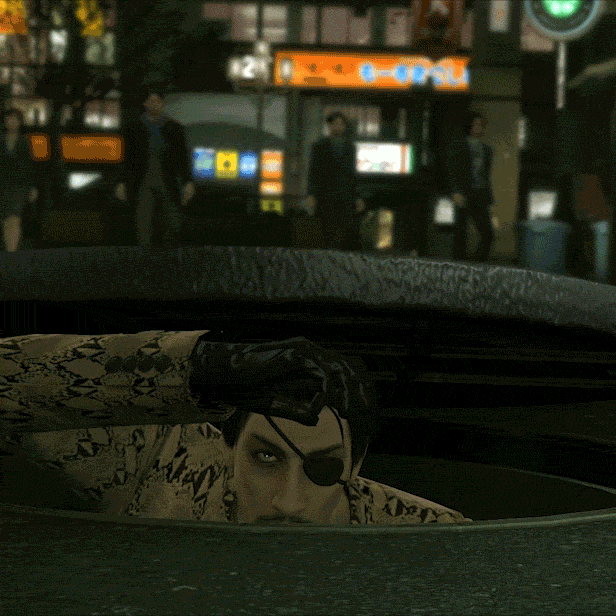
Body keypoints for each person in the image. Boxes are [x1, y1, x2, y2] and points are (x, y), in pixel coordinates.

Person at [1, 330, 472, 525]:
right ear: (227, 443)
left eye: (323, 469)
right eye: (265, 457)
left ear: (358, 463)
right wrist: (197, 369)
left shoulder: (425, 537)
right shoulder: (157, 464)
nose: (288, 502)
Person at [114, 88, 195, 247]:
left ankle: (168, 250)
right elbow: (127, 157)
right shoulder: (134, 128)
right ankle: (144, 251)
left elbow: (182, 157)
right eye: (151, 101)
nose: (154, 104)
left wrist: (187, 181)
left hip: (167, 178)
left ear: (162, 104)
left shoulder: (174, 128)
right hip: (142, 179)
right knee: (143, 219)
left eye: (157, 101)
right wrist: (121, 182)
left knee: (172, 219)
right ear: (145, 104)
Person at [306, 112, 366, 251]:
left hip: (345, 196)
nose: (338, 127)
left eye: (341, 124)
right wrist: (311, 194)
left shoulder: (350, 147)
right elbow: (314, 171)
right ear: (329, 126)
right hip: (325, 195)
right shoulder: (319, 146)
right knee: (326, 230)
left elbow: (352, 174)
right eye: (335, 124)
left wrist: (357, 196)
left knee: (345, 231)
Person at [445, 111, 495, 262]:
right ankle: (459, 264)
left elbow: (485, 174)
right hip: (464, 192)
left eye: (481, 124)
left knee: (487, 232)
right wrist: (455, 191)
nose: (479, 127)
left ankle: (477, 264)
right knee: (460, 233)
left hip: (480, 193)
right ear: (469, 126)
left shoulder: (486, 149)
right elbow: (452, 169)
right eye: (476, 124)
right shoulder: (459, 145)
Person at [0, 108, 38, 252]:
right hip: (3, 185)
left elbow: (30, 165)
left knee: (14, 218)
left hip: (19, 186)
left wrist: (32, 187)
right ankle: (9, 250)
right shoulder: (1, 139)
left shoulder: (25, 141)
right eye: (9, 119)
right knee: (5, 219)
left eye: (15, 119)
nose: (12, 122)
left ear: (20, 122)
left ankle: (12, 252)